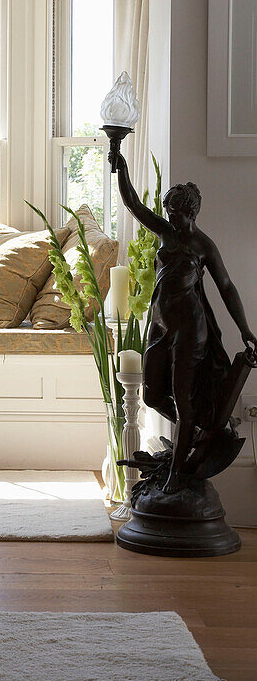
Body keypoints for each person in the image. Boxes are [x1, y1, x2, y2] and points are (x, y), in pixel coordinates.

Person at [109, 149, 256, 494]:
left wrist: (245, 329)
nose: (169, 217)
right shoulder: (166, 232)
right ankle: (202, 428)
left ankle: (177, 472)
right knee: (151, 395)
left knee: (182, 398)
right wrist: (121, 164)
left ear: (191, 212)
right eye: (167, 211)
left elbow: (227, 287)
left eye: (176, 212)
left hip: (191, 330)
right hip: (160, 326)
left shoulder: (202, 244)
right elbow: (133, 204)